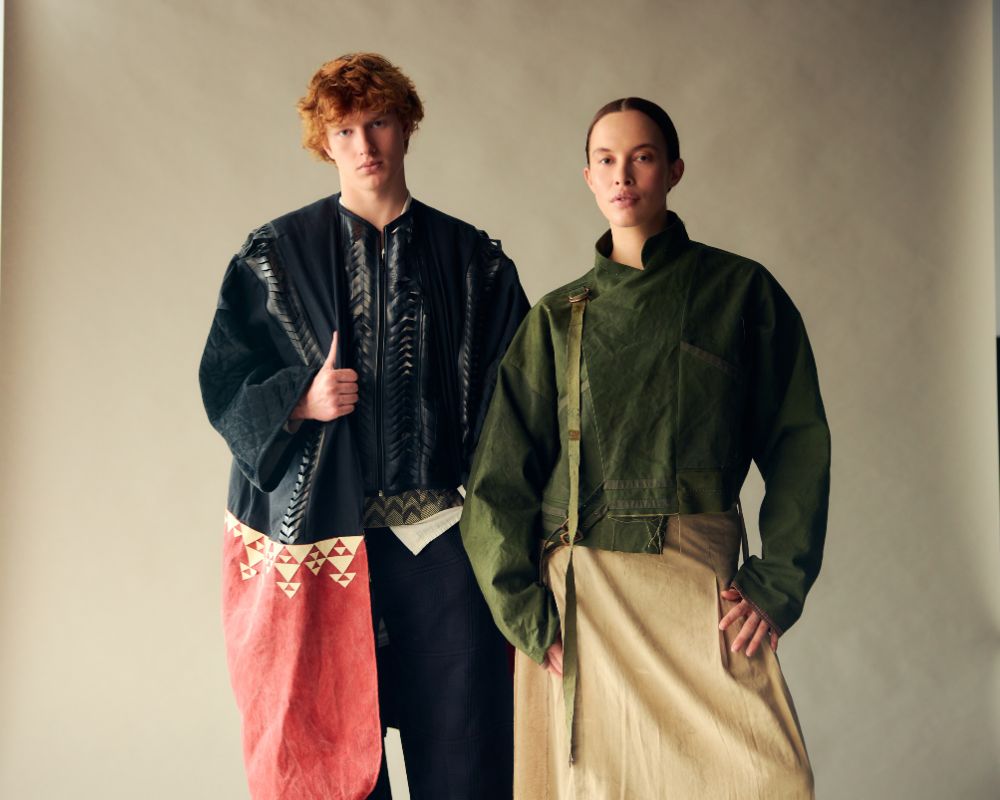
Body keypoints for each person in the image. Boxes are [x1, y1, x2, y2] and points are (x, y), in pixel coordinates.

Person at [460, 97, 830, 799]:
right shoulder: (556, 318)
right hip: (584, 595)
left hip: (698, 580)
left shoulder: (740, 292)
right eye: (606, 160)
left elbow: (798, 442)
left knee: (773, 780)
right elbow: (498, 480)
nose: (622, 175)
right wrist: (524, 612)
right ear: (588, 177)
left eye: (643, 157)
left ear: (674, 170)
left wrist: (778, 580)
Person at [199, 53, 527, 800]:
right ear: (325, 142)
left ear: (406, 126)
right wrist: (299, 400)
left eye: (378, 122)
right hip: (321, 547)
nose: (365, 145)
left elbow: (519, 401)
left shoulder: (472, 261)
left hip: (442, 544)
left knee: (467, 749)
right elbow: (223, 378)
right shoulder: (273, 257)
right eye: (344, 130)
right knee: (325, 757)